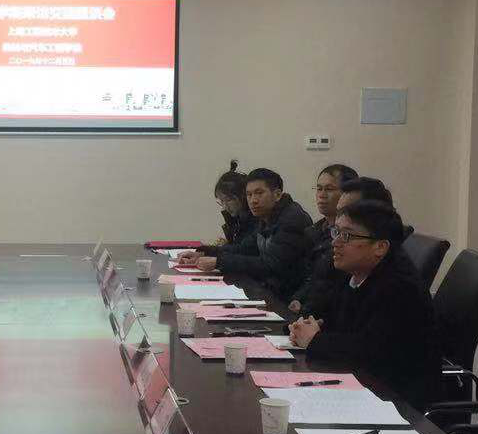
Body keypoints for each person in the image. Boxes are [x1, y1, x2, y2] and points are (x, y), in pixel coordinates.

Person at [288, 199, 441, 404]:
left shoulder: (399, 287)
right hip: (361, 384)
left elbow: (369, 351)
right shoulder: (354, 273)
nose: (335, 242)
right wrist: (305, 328)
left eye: (347, 236)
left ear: (380, 247)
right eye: (336, 232)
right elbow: (334, 320)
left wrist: (315, 340)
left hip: (396, 398)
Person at [185, 168, 313, 296]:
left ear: (277, 194)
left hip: (289, 297)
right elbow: (245, 248)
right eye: (249, 195)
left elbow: (271, 265)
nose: (253, 200)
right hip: (270, 288)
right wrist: (206, 252)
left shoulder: (291, 220)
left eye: (259, 193)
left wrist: (219, 262)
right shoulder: (267, 216)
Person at [290, 174, 388, 318]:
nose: (335, 242)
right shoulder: (326, 236)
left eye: (346, 211)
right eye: (339, 211)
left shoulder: (390, 283)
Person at [212, 160, 251, 246]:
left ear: (243, 196)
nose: (225, 206)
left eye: (228, 200)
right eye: (222, 201)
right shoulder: (237, 219)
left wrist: (218, 250)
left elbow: (244, 250)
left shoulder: (254, 221)